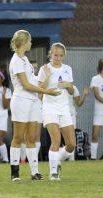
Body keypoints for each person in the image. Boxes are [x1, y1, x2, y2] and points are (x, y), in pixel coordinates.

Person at [9, 30, 61, 182]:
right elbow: (25, 85)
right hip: (21, 101)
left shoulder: (24, 59)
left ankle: (35, 172)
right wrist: (46, 91)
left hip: (33, 101)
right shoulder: (16, 61)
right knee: (18, 137)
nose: (31, 43)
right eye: (30, 40)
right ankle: (15, 172)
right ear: (24, 42)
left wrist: (46, 76)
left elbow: (33, 81)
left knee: (32, 137)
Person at [37, 42, 75, 181]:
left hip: (64, 108)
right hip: (49, 108)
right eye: (55, 55)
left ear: (63, 56)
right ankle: (53, 172)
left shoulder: (67, 69)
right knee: (56, 140)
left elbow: (71, 91)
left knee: (71, 144)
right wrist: (47, 77)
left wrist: (68, 86)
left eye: (60, 55)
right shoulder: (44, 69)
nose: (58, 58)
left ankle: (57, 159)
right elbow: (39, 90)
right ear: (50, 55)